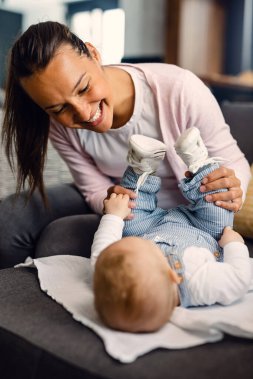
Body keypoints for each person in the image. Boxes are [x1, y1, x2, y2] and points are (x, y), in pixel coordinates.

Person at [0, 21, 251, 268]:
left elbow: (233, 161)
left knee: (59, 241)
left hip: (192, 212)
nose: (84, 114)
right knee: (10, 219)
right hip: (130, 209)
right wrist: (113, 203)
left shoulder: (180, 89)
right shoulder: (59, 125)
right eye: (59, 108)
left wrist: (229, 186)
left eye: (84, 88)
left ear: (94, 53)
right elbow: (92, 188)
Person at [91, 130, 251, 333]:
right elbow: (238, 280)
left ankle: (142, 167)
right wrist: (233, 244)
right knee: (218, 210)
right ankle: (199, 163)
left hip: (148, 226)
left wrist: (113, 216)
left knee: (129, 219)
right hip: (201, 229)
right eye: (149, 252)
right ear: (173, 276)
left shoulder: (106, 276)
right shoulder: (197, 284)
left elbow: (102, 249)